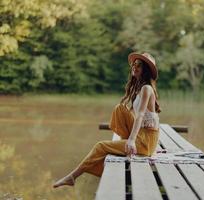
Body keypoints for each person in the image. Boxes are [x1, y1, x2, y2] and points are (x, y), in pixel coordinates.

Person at [53, 52, 161, 188]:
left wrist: (132, 139)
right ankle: (125, 144)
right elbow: (135, 116)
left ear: (145, 70)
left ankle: (72, 177)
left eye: (139, 65)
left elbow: (140, 116)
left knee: (101, 146)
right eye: (134, 64)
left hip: (145, 142)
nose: (134, 67)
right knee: (120, 109)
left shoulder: (146, 88)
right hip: (143, 136)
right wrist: (130, 136)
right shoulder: (140, 87)